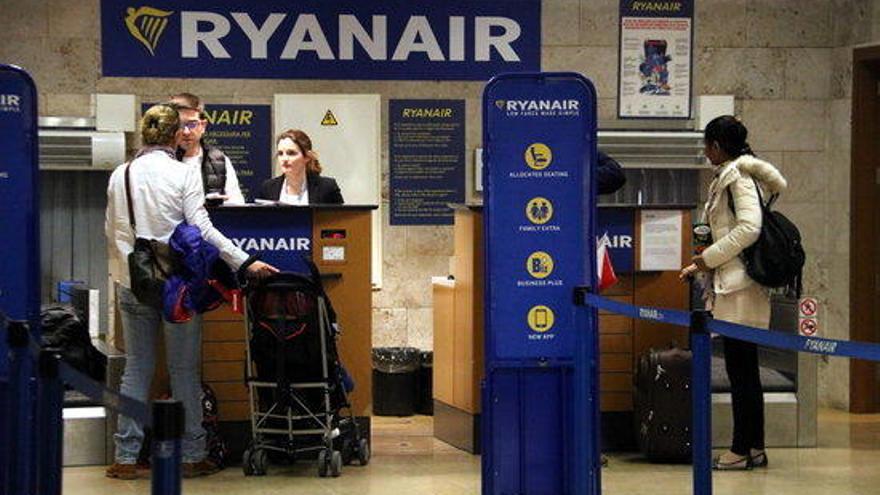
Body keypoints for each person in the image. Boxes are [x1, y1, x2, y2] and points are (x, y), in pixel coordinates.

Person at [104, 104, 278, 480]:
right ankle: (193, 454)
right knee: (184, 370)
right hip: (177, 285)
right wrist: (245, 262)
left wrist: (125, 273)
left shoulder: (121, 174)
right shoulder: (184, 174)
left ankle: (126, 456)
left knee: (136, 369)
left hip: (132, 282)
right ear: (172, 136)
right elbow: (203, 230)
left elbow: (113, 230)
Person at [680, 115, 787, 471]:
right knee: (745, 370)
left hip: (739, 287)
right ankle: (754, 447)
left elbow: (749, 228)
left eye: (707, 144)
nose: (705, 151)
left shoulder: (737, 177)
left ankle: (741, 449)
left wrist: (708, 258)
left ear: (717, 145)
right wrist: (700, 265)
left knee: (742, 371)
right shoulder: (733, 175)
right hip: (735, 283)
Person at [168, 93, 245, 205]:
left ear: (203, 126)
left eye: (192, 124)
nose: (186, 131)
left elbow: (237, 204)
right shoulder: (163, 160)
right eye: (179, 125)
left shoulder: (220, 161)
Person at [257, 129, 344, 205]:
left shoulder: (327, 187)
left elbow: (341, 220)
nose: (284, 159)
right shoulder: (268, 188)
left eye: (291, 153)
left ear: (306, 157)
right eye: (280, 153)